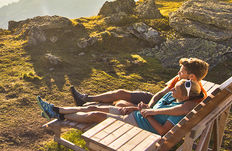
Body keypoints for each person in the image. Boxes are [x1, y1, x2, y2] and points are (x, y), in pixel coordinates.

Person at [37, 79, 203, 136]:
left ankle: (58, 116)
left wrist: (148, 114)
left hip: (138, 126)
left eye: (176, 89)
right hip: (135, 115)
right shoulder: (170, 96)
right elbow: (151, 109)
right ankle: (57, 109)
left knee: (94, 115)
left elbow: (161, 132)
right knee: (93, 106)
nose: (172, 89)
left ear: (185, 97)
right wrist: (138, 108)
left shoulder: (178, 113)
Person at [70, 58, 209, 116]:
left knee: (121, 104)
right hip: (155, 104)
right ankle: (86, 99)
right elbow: (160, 94)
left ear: (191, 77)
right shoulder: (182, 81)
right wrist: (151, 104)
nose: (178, 73)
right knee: (121, 92)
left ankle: (88, 108)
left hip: (157, 112)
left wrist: (149, 109)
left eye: (182, 71)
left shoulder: (193, 96)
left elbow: (172, 110)